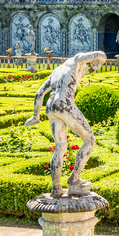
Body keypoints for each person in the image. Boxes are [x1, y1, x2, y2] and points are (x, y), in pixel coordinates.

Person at [25, 50, 107, 198]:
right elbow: (99, 54)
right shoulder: (77, 60)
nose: (84, 72)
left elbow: (39, 93)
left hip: (50, 106)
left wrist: (35, 117)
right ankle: (74, 179)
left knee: (60, 147)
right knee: (90, 139)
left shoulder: (57, 71)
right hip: (64, 103)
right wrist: (101, 59)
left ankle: (56, 188)